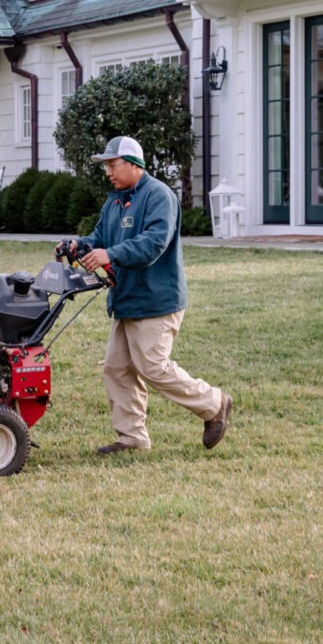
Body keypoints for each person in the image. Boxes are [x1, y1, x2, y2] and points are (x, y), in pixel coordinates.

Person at [59, 135, 231, 455]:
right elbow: (100, 237)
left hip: (155, 298)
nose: (108, 172)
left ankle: (214, 403)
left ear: (134, 165)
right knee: (117, 366)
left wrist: (110, 254)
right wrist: (78, 245)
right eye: (106, 166)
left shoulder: (158, 196)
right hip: (126, 298)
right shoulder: (115, 201)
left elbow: (153, 243)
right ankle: (132, 438)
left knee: (152, 366)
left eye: (113, 165)